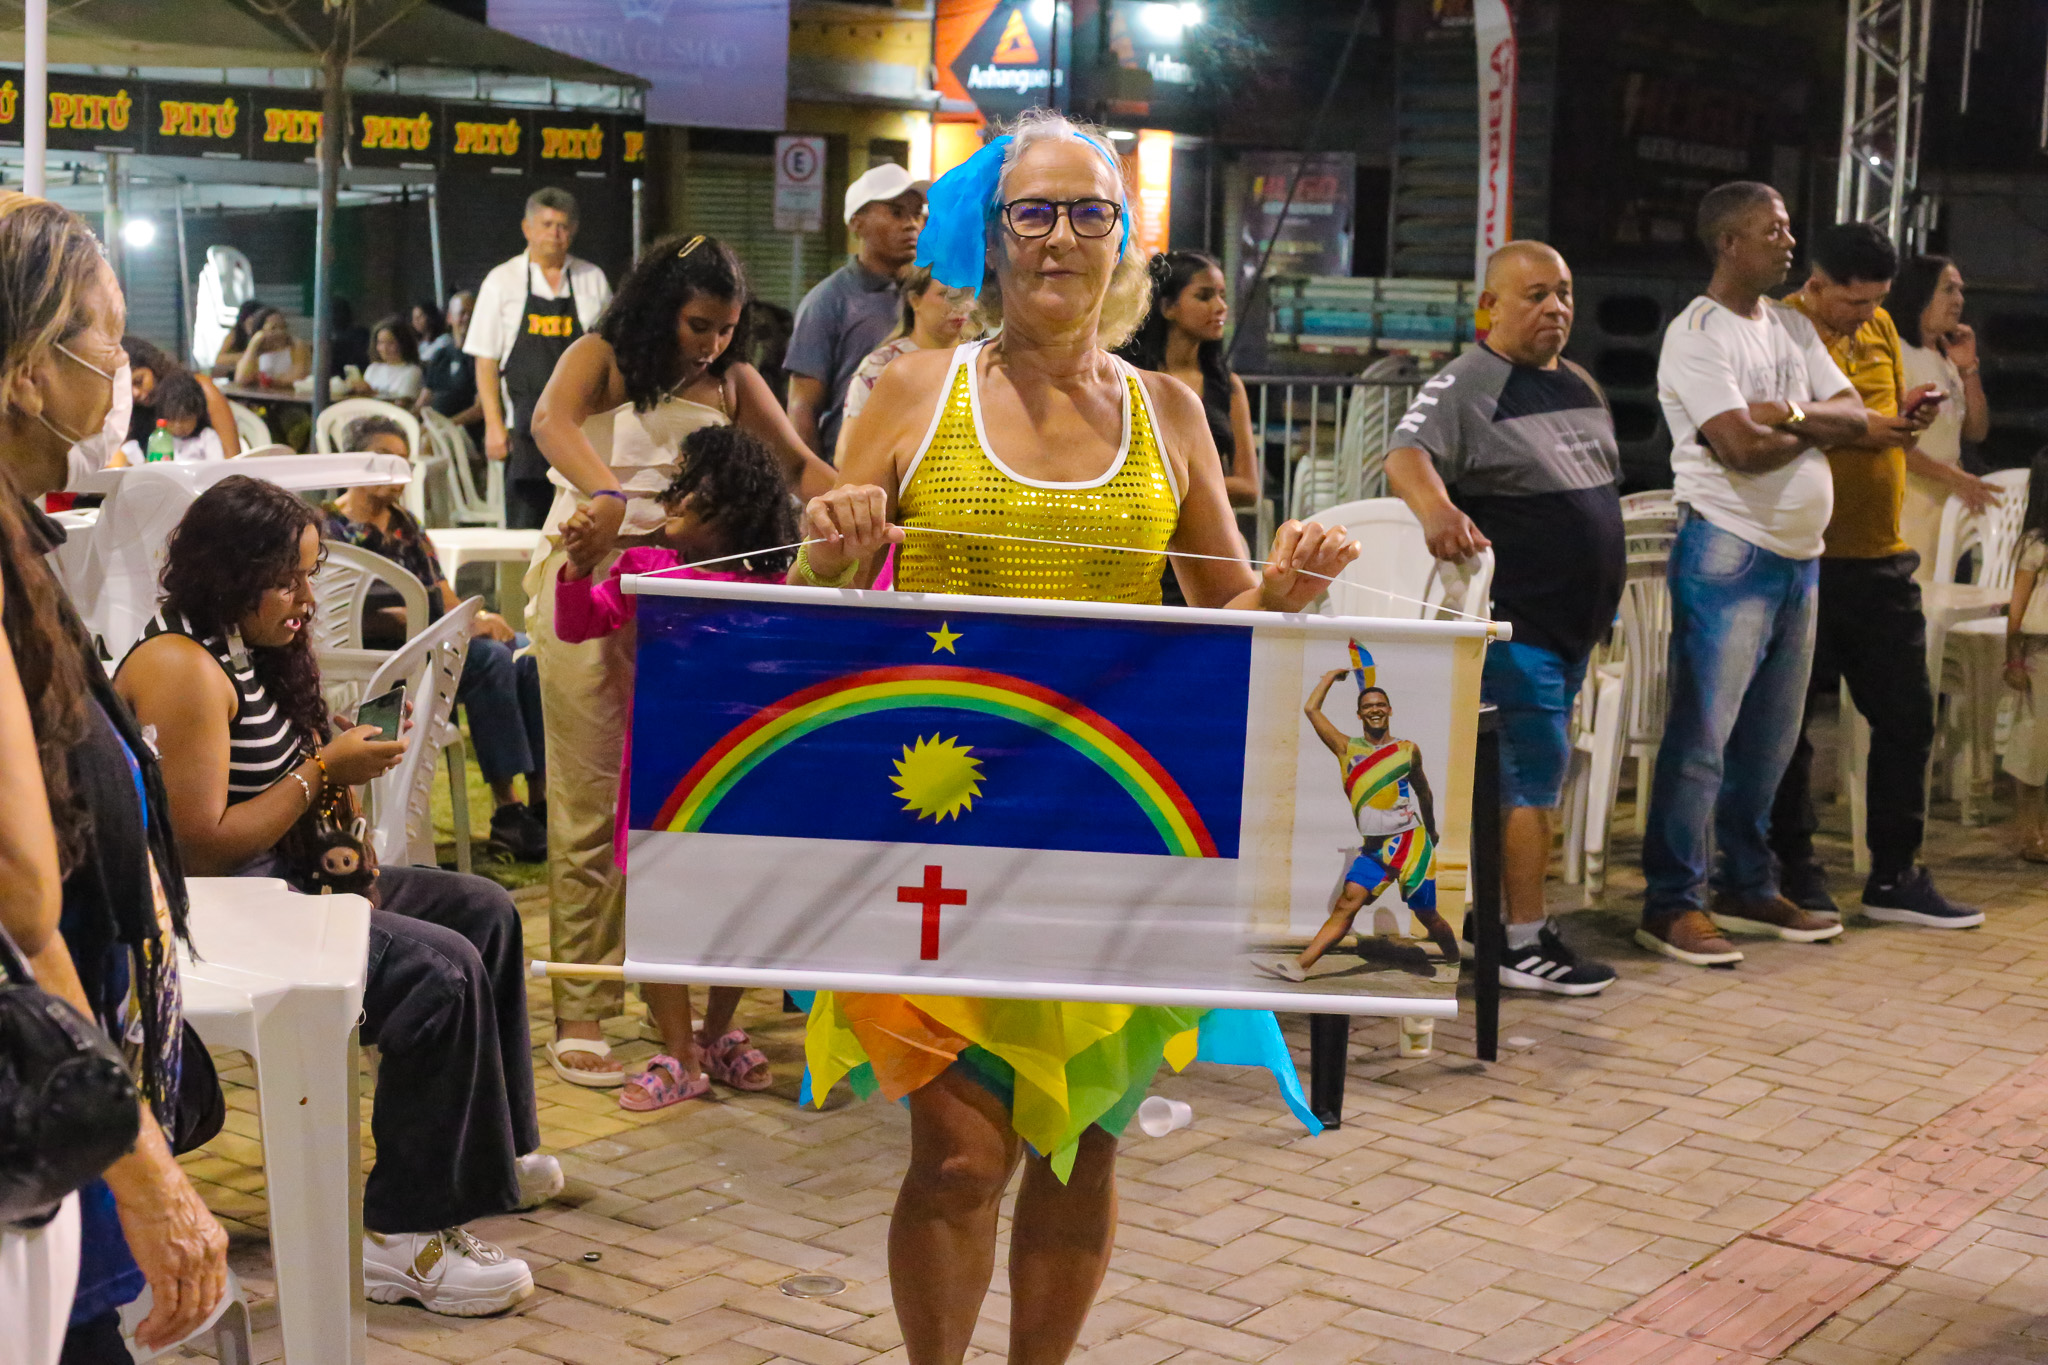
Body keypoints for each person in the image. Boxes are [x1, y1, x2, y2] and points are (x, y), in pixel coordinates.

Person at [798, 109, 1357, 1365]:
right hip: (925, 828)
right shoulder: (908, 388)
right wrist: (832, 554)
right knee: (955, 1153)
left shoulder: (1168, 410)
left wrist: (1291, 588)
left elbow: (1228, 614)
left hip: (1110, 829)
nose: (1060, 238)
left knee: (1079, 1135)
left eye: (1087, 213)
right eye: (1032, 212)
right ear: (988, 237)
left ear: (1127, 238)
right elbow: (813, 619)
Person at [114, 475, 563, 1317]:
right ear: (232, 572)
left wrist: (337, 806)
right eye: (290, 579)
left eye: (312, 575)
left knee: (486, 912)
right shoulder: (183, 665)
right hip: (219, 914)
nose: (305, 598)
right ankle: (402, 1236)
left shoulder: (252, 648)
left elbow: (282, 803)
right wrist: (320, 772)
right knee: (442, 970)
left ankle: (489, 1161)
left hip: (277, 883)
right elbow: (203, 843)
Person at [0, 189, 228, 1363]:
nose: (127, 370)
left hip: (62, 1099)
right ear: (28, 372)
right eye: (106, 337)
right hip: (42, 1101)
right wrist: (141, 1166)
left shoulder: (24, 550)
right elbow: (22, 905)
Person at [524, 233, 833, 1087]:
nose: (713, 343)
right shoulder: (600, 357)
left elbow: (797, 465)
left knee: (686, 803)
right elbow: (548, 420)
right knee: (590, 795)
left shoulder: (734, 383)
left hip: (697, 600)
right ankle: (583, 998)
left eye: (729, 328)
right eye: (700, 324)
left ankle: (681, 993)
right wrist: (609, 497)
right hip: (594, 575)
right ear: (663, 304)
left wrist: (852, 499)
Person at [1639, 183, 1879, 967]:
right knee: (1703, 737)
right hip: (1729, 550)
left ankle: (1747, 882)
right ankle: (1673, 901)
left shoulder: (1788, 325)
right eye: (1771, 230)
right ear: (1728, 244)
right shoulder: (1697, 335)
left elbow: (1861, 418)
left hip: (1798, 560)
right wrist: (1810, 424)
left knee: (1770, 743)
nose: (1788, 240)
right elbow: (1737, 447)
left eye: (1786, 225)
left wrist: (1790, 416)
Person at [1382, 239, 1622, 995]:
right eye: (1535, 295)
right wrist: (1438, 510)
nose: (1555, 308)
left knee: (1538, 778)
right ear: (1490, 306)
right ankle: (1520, 942)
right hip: (1518, 630)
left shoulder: (1577, 381)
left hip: (1572, 629)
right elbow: (1405, 454)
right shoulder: (1469, 381)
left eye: (1564, 293)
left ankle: (1517, 924)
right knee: (1531, 780)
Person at [552, 424, 793, 1108]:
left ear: (737, 504)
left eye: (693, 485)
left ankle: (715, 1032)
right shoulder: (647, 569)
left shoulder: (781, 579)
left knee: (739, 907)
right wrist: (576, 570)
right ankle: (679, 1048)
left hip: (746, 774)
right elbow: (579, 626)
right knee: (659, 909)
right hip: (660, 770)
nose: (673, 494)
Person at [1763, 223, 1978, 929]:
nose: (1865, 315)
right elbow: (1782, 425)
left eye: (1876, 302)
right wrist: (1867, 429)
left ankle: (1894, 873)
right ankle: (1795, 871)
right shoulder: (1780, 330)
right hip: (1807, 559)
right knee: (1790, 729)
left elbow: (1875, 418)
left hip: (1881, 557)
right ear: (1815, 283)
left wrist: (1902, 422)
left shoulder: (1883, 324)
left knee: (1908, 716)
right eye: (1853, 303)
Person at [321, 416, 547, 860]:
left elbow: (442, 593)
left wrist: (477, 616)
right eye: (387, 460)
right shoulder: (329, 529)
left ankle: (539, 801)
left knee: (524, 651)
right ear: (357, 463)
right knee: (486, 659)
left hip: (429, 643)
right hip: (381, 661)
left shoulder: (406, 524)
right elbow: (354, 618)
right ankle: (508, 809)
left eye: (404, 462)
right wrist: (449, 625)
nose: (399, 472)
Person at [1279, 659, 1455, 980]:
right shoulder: (1346, 747)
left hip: (1411, 844)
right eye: (1367, 706)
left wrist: (1431, 830)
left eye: (1380, 705)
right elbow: (1311, 710)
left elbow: (1424, 793)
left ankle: (1455, 958)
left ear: (1390, 710)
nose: (1374, 710)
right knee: (1348, 902)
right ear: (1359, 715)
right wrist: (1331, 676)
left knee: (1426, 913)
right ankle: (1299, 966)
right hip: (1374, 849)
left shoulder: (1407, 750)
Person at [466, 188, 612, 528]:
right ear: (527, 228)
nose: (554, 234)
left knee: (580, 525)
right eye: (546, 224)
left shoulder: (592, 279)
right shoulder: (501, 282)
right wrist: (493, 424)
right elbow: (486, 360)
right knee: (524, 528)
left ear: (573, 230)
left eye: (562, 226)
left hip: (584, 429)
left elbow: (608, 354)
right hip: (525, 430)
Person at [786, 162, 928, 460]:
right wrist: (819, 487)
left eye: (917, 214)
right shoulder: (828, 301)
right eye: (896, 212)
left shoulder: (934, 297)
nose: (911, 224)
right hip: (849, 475)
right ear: (856, 223)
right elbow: (802, 407)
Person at [1117, 250, 1260, 509]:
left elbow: (1249, 487)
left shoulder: (1228, 385)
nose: (1220, 307)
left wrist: (1167, 484)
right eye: (1204, 296)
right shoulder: (1125, 377)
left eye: (1222, 296)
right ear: (1167, 307)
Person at [1892, 254, 1998, 582]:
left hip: (1952, 508)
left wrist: (1968, 369)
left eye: (1961, 291)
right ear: (1920, 293)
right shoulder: (1896, 352)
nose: (1959, 300)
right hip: (1912, 505)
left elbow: (1976, 431)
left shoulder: (1945, 358)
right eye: (1949, 290)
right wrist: (1953, 477)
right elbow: (1892, 440)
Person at [834, 266, 978, 462]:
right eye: (946, 294)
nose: (960, 305)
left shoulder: (981, 361)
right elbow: (845, 456)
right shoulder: (881, 366)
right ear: (915, 300)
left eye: (966, 294)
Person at [2002, 456, 2048, 861]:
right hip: (2042, 651)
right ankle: (2029, 827)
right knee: (2036, 738)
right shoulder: (2038, 544)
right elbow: (2017, 607)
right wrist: (2013, 656)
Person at [124, 337, 238, 458]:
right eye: (125, 389)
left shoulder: (201, 388)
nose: (134, 393)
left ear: (153, 366)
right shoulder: (129, 414)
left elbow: (233, 457)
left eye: (139, 381)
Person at [115, 370, 223, 464]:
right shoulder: (162, 439)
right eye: (172, 419)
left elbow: (216, 467)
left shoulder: (206, 437)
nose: (178, 426)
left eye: (185, 419)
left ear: (198, 414)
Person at [421, 291, 481, 434]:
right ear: (449, 318)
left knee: (428, 442)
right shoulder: (440, 355)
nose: (467, 318)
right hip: (438, 428)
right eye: (462, 313)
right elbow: (424, 399)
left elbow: (481, 409)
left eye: (472, 313)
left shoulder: (481, 358)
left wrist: (445, 425)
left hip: (464, 431)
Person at [231, 308, 311, 390]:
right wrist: (254, 343)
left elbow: (297, 377)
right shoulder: (256, 350)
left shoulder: (296, 346)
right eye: (273, 328)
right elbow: (241, 379)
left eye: (283, 327)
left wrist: (269, 380)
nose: (280, 332)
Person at [353, 316, 423, 403]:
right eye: (381, 343)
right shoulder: (373, 368)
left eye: (391, 343)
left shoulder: (412, 371)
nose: (384, 349)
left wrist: (372, 392)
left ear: (403, 343)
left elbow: (402, 402)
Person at [208, 299, 268, 381]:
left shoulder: (265, 336)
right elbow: (219, 359)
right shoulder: (235, 335)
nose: (252, 326)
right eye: (249, 322)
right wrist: (247, 355)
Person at [412, 299, 451, 366]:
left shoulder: (444, 340)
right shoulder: (420, 344)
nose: (416, 321)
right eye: (414, 318)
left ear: (430, 316)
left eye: (420, 317)